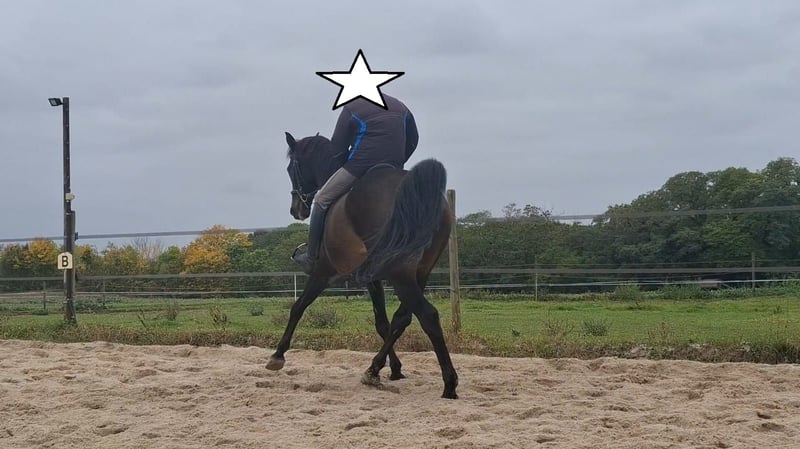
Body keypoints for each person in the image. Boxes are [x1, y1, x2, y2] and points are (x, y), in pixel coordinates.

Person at [291, 93, 419, 274]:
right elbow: (413, 140)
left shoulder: (351, 108)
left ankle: (311, 259)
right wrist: (398, 162)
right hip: (394, 165)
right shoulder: (400, 106)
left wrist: (345, 165)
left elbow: (338, 147)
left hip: (360, 165)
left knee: (321, 200)